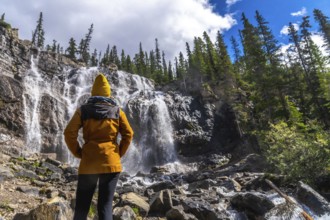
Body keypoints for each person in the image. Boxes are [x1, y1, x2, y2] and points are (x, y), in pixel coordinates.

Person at [64, 73, 134, 220]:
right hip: (111, 163)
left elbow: (69, 133)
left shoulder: (82, 110)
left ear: (93, 92)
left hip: (89, 162)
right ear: (108, 93)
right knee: (105, 207)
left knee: (82, 208)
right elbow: (129, 134)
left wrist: (79, 152)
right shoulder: (117, 111)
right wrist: (117, 154)